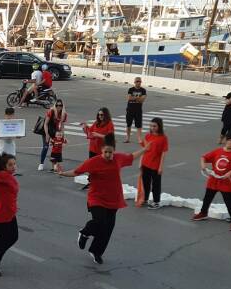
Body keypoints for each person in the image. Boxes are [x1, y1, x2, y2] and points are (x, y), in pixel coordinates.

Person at [58, 134, 148, 264]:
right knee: (100, 222)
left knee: (107, 228)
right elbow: (77, 171)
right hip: (97, 198)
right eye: (105, 152)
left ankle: (96, 251)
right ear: (101, 151)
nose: (107, 154)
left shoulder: (118, 159)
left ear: (114, 151)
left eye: (110, 152)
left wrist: (145, 149)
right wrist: (62, 173)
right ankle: (84, 233)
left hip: (113, 199)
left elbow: (132, 156)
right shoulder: (93, 162)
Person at [191, 133, 231, 231]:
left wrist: (229, 173)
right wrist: (203, 166)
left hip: (226, 182)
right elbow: (204, 157)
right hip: (213, 180)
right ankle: (203, 213)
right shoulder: (218, 151)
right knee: (207, 198)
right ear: (226, 140)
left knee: (230, 202)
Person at [80, 107, 115, 189]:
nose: (100, 116)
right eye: (99, 115)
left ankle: (100, 183)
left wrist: (98, 135)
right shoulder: (96, 123)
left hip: (101, 150)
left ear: (106, 115)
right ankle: (91, 182)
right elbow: (90, 133)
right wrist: (85, 127)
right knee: (91, 166)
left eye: (102, 115)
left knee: (100, 168)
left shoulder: (109, 124)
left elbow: (110, 137)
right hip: (93, 148)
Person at [139, 118, 168, 209]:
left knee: (156, 184)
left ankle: (156, 202)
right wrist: (140, 162)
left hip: (155, 165)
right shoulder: (148, 136)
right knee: (146, 183)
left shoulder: (163, 138)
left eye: (154, 126)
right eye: (151, 126)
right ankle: (145, 199)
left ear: (159, 126)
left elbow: (163, 153)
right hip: (145, 163)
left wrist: (161, 167)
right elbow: (144, 150)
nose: (152, 128)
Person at [39, 100, 68, 171]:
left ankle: (54, 165)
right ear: (55, 105)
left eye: (60, 105)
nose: (58, 107)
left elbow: (62, 125)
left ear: (62, 106)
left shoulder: (64, 114)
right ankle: (41, 163)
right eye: (57, 105)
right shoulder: (51, 111)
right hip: (46, 130)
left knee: (57, 147)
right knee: (45, 147)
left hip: (55, 131)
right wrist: (47, 134)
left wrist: (63, 134)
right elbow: (45, 124)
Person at [124, 77, 147, 143]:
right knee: (128, 124)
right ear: (134, 82)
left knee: (139, 125)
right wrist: (138, 98)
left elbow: (142, 100)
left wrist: (133, 98)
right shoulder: (131, 89)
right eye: (137, 81)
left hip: (138, 110)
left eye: (139, 81)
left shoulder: (143, 90)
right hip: (130, 109)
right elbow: (129, 98)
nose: (138, 82)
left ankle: (139, 139)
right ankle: (128, 138)